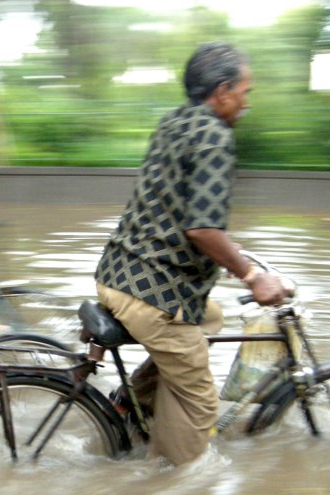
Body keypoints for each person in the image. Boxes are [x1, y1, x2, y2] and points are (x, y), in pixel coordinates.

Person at [94, 42, 287, 467]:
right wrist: (253, 276)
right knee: (200, 402)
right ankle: (169, 484)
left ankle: (132, 402)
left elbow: (178, 209)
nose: (246, 103)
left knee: (210, 316)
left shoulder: (174, 123)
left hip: (116, 274)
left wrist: (233, 257)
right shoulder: (215, 137)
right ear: (222, 91)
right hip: (151, 293)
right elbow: (202, 228)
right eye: (245, 92)